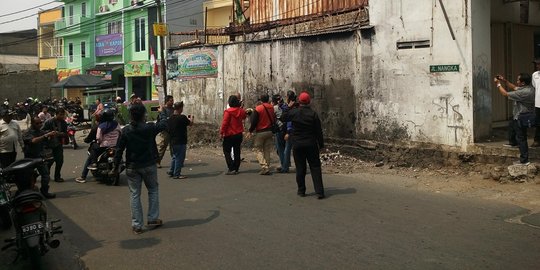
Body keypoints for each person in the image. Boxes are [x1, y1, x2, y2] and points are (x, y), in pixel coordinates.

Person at [114, 103, 168, 235]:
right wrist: (162, 112)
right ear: (144, 114)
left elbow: (119, 149)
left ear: (131, 115)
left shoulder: (126, 130)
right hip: (149, 164)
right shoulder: (149, 127)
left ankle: (137, 225)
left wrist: (115, 166)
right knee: (153, 190)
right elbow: (163, 125)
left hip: (132, 166)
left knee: (134, 194)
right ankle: (152, 218)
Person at [281, 91, 325, 199]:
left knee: (300, 168)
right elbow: (318, 131)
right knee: (315, 167)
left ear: (299, 101)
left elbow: (283, 118)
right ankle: (319, 191)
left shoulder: (294, 112)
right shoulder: (313, 114)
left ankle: (301, 190)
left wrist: (288, 107)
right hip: (311, 144)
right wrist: (321, 145)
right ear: (309, 102)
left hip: (298, 144)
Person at [494, 73, 535, 165]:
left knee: (521, 137)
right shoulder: (529, 88)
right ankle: (513, 142)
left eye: (518, 80)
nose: (516, 82)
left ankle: (524, 160)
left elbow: (505, 93)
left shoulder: (524, 92)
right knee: (512, 126)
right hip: (517, 115)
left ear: (523, 83)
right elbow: (514, 87)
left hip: (521, 116)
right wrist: (504, 80)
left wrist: (498, 84)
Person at [22, 117, 56, 198]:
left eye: (41, 123)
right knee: (29, 176)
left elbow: (46, 140)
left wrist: (52, 135)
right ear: (32, 124)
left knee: (46, 175)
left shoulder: (40, 132)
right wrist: (46, 135)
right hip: (30, 158)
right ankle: (30, 192)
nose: (40, 125)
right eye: (37, 123)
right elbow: (33, 141)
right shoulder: (27, 132)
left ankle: (44, 191)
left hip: (39, 157)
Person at [248, 93, 275, 175]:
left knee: (257, 149)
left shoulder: (258, 108)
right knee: (267, 149)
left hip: (261, 132)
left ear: (261, 100)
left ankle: (264, 166)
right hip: (270, 131)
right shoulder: (271, 107)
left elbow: (254, 121)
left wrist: (250, 131)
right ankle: (267, 166)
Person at [220, 95, 247, 175]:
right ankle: (236, 167)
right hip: (238, 134)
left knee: (226, 151)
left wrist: (221, 132)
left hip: (229, 134)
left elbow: (225, 123)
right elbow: (244, 117)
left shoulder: (228, 112)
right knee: (237, 151)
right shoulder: (241, 111)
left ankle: (231, 168)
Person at [41, 107, 68, 182]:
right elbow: (41, 131)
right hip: (49, 145)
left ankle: (57, 176)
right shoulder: (48, 122)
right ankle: (47, 176)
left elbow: (65, 133)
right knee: (49, 162)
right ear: (56, 114)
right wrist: (49, 133)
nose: (62, 116)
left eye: (63, 115)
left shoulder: (63, 123)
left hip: (58, 144)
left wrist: (59, 134)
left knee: (59, 161)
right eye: (60, 115)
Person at [167, 101, 193, 179]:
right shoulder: (182, 117)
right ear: (180, 108)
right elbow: (190, 124)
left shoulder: (170, 118)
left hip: (172, 140)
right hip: (180, 141)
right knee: (179, 158)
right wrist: (191, 119)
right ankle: (177, 174)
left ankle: (171, 171)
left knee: (175, 156)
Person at [157, 95, 174, 168]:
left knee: (173, 147)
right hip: (165, 131)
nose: (172, 102)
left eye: (172, 100)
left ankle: (175, 161)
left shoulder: (173, 109)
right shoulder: (163, 109)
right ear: (167, 101)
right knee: (162, 146)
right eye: (171, 100)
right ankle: (157, 161)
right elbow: (163, 119)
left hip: (172, 130)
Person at [531, 59, 540, 147]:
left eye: (539, 64)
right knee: (538, 123)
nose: (537, 66)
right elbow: (535, 86)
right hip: (538, 103)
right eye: (537, 64)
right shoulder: (535, 75)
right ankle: (537, 140)